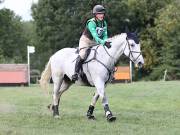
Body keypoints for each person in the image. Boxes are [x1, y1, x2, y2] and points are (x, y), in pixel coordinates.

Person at [72, 4, 111, 81]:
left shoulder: (104, 23)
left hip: (96, 42)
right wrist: (103, 42)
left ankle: (110, 73)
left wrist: (106, 41)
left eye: (102, 13)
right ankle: (75, 73)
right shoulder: (91, 23)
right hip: (86, 40)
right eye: (99, 14)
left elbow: (105, 35)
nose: (101, 15)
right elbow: (96, 36)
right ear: (95, 15)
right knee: (83, 54)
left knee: (106, 52)